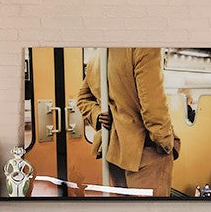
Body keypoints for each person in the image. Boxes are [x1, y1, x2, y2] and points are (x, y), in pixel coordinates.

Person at [76, 47, 180, 197]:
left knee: (125, 208)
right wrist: (166, 142)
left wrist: (98, 115)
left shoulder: (98, 55)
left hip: (114, 150)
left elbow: (82, 98)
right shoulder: (144, 48)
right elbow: (152, 105)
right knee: (150, 211)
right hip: (146, 149)